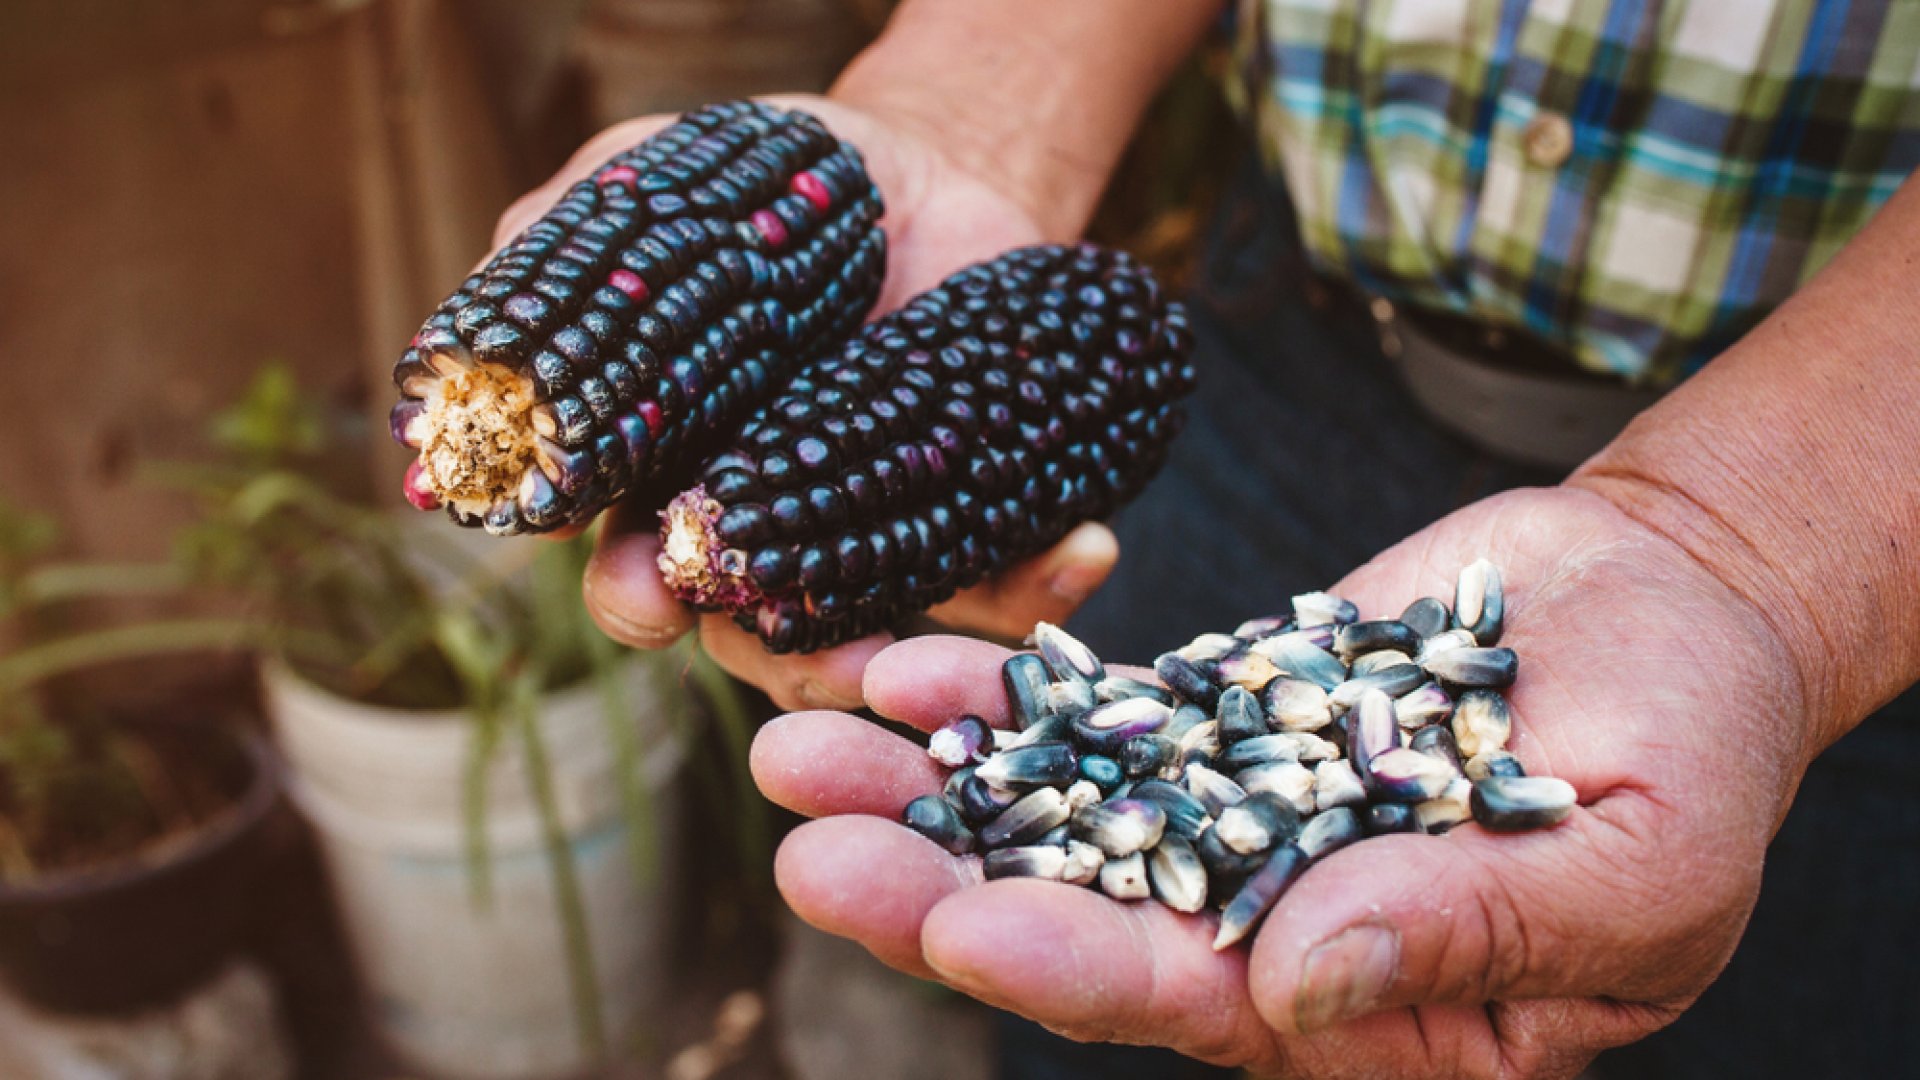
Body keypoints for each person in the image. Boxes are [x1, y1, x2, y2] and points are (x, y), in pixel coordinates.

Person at [492, 2, 1920, 1076]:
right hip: (1284, 351)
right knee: (1078, 937)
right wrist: (972, 121)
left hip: (1863, 499)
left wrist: (1754, 558)